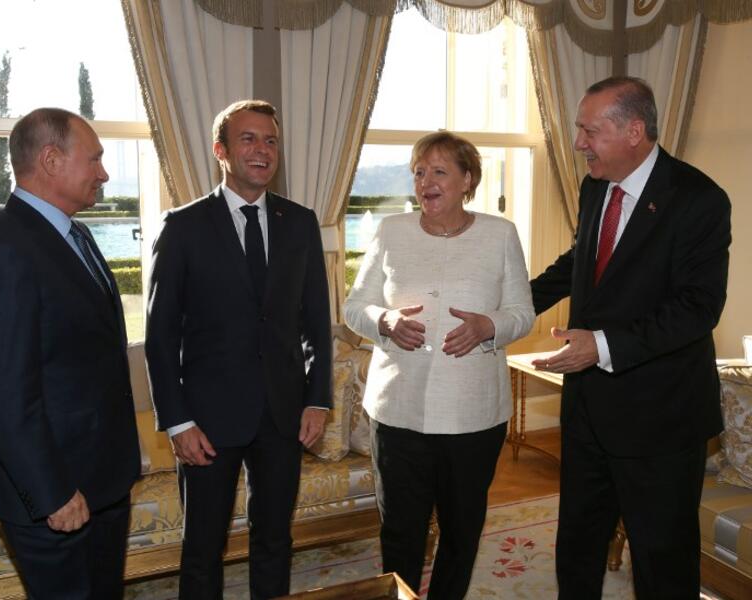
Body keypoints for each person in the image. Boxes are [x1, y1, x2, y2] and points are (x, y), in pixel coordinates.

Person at [531, 76, 731, 599]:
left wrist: (599, 346)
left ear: (634, 131)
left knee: (661, 563)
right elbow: (583, 263)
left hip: (660, 420)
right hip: (588, 414)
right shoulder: (594, 186)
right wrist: (511, 303)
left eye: (588, 131)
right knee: (577, 550)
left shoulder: (700, 201)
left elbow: (697, 309)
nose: (578, 144)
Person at [145, 99, 332, 599]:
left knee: (274, 539)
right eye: (248, 139)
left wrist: (318, 399)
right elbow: (160, 335)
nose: (262, 150)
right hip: (206, 422)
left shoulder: (301, 222)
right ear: (220, 151)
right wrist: (177, 422)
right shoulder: (182, 226)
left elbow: (315, 321)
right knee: (202, 549)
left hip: (283, 415)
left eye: (270, 140)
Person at [0, 108, 141, 599]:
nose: (104, 173)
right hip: (55, 494)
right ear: (52, 159)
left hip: (101, 483)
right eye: (95, 158)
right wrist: (52, 492)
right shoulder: (4, 249)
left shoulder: (74, 233)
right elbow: (3, 393)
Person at [343, 131, 534, 599]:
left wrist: (489, 326)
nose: (425, 181)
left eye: (439, 171)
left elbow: (522, 313)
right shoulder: (391, 232)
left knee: (462, 530)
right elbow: (354, 307)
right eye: (419, 172)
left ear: (468, 179)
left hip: (473, 415)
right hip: (398, 411)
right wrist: (384, 320)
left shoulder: (500, 234)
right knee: (400, 531)